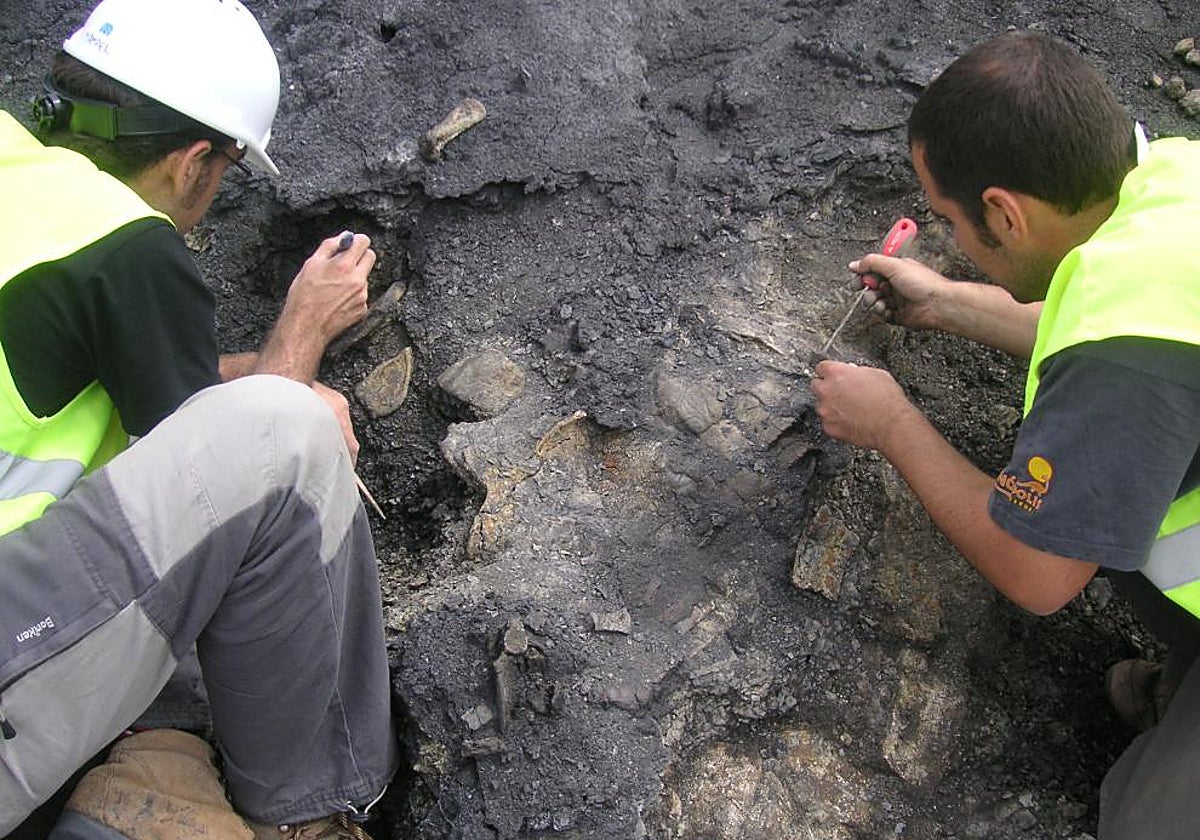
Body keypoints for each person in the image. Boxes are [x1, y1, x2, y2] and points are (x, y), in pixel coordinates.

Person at [0, 0, 398, 837]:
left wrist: (252, 371)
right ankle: (315, 811)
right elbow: (221, 493)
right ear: (193, 165)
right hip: (16, 649)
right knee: (286, 435)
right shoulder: (124, 245)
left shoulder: (23, 179)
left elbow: (106, 386)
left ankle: (149, 758)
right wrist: (302, 334)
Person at [810, 31, 1200, 839]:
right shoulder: (1170, 182)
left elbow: (1039, 574)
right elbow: (1100, 325)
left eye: (951, 221)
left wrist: (892, 423)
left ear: (1004, 213)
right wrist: (946, 302)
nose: (950, 241)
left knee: (1147, 827)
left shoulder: (1127, 352)